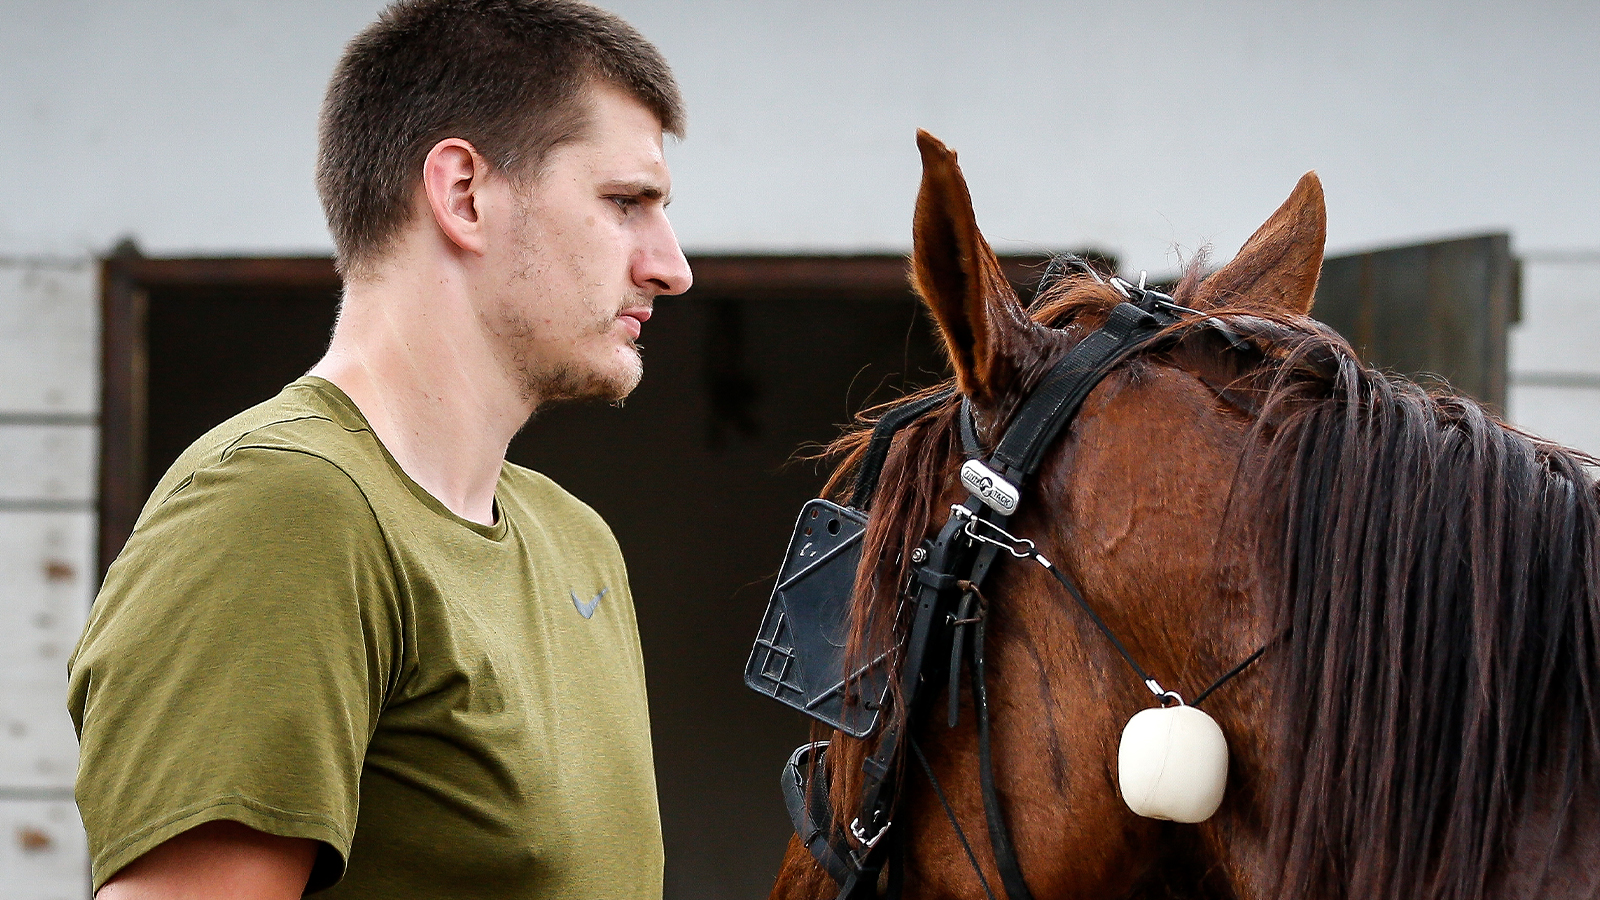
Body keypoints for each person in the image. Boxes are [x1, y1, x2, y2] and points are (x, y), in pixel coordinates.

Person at [67, 1, 692, 897]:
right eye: (625, 202)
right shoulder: (283, 511)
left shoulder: (575, 541)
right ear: (463, 194)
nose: (671, 266)